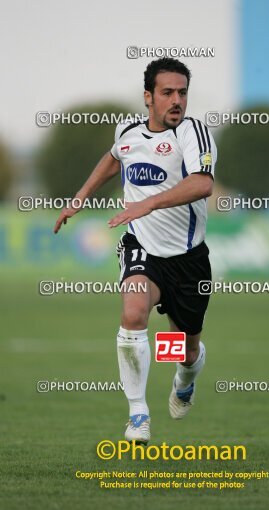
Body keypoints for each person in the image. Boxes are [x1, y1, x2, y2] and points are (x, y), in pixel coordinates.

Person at [54, 57, 217, 444]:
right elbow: (114, 158)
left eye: (182, 92)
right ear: (148, 97)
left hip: (189, 260)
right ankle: (138, 415)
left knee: (184, 349)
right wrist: (80, 197)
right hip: (141, 246)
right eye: (167, 93)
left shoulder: (193, 133)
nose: (177, 100)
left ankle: (185, 378)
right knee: (133, 312)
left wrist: (148, 203)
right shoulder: (127, 129)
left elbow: (202, 184)